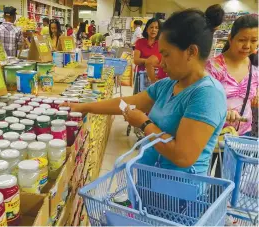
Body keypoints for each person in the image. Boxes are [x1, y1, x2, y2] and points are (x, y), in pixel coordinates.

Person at [62, 8, 227, 175]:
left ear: (191, 52)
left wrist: (144, 123)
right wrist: (83, 107)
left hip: (179, 195)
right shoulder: (167, 85)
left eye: (166, 55)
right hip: (150, 186)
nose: (161, 64)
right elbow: (126, 103)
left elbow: (183, 157)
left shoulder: (207, 95)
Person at [206, 14, 258, 178]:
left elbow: (252, 96)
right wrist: (223, 110)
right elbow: (203, 100)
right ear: (230, 38)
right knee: (201, 180)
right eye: (242, 40)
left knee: (228, 182)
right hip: (212, 133)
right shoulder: (213, 67)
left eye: (254, 41)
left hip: (242, 134)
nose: (247, 46)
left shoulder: (254, 69)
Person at [134, 18, 166, 83]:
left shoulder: (162, 43)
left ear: (159, 30)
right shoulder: (140, 42)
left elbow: (164, 62)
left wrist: (145, 61)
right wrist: (149, 62)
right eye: (151, 27)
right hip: (141, 75)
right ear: (146, 29)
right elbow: (136, 60)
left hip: (158, 77)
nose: (153, 30)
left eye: (156, 28)